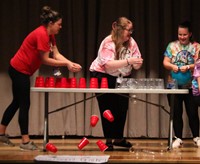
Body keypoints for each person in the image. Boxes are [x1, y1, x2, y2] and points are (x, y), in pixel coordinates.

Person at [0, 6, 82, 151]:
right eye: (59, 24)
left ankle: (1, 133)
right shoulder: (41, 34)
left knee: (17, 103)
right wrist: (67, 64)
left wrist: (70, 62)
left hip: (20, 70)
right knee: (24, 104)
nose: (61, 27)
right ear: (50, 23)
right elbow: (45, 60)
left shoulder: (50, 35)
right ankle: (25, 142)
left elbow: (56, 54)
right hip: (19, 70)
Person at [89, 17, 143, 151]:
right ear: (119, 29)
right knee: (108, 108)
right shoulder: (108, 42)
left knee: (122, 107)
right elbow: (108, 66)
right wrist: (129, 61)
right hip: (103, 75)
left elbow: (137, 60)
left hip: (122, 76)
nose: (130, 33)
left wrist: (137, 63)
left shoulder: (131, 42)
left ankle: (118, 138)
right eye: (128, 30)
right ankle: (108, 140)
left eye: (132, 30)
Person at [163, 20, 200, 148]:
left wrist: (189, 66)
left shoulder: (196, 47)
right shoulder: (171, 46)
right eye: (180, 34)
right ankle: (178, 138)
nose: (182, 37)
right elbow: (165, 62)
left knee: (193, 113)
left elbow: (198, 64)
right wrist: (173, 66)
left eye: (184, 34)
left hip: (191, 85)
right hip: (173, 85)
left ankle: (196, 137)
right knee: (176, 113)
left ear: (190, 34)